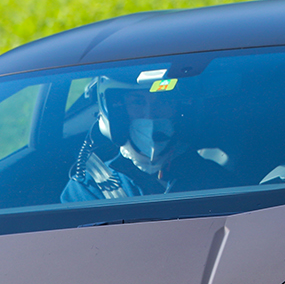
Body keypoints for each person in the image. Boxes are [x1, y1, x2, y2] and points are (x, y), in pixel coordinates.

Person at [62, 77, 231, 202]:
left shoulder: (214, 179)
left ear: (179, 110)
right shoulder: (88, 188)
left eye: (164, 102)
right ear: (118, 113)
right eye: (137, 102)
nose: (150, 115)